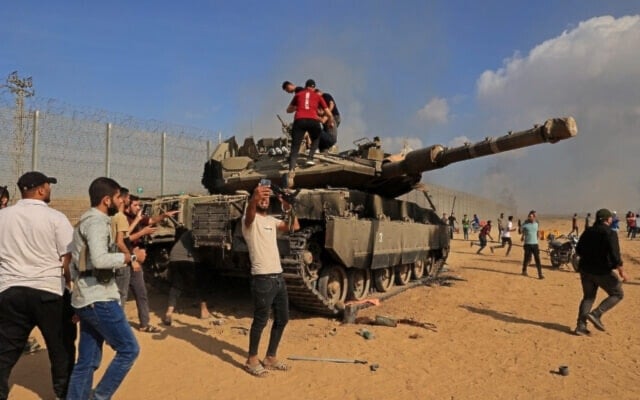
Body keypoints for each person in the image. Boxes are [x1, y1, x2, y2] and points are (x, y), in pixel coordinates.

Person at [67, 177, 146, 400]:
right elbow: (100, 260)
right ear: (107, 199)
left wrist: (79, 300)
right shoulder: (97, 222)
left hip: (88, 298)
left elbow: (74, 264)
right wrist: (131, 257)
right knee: (129, 350)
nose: (123, 201)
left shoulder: (86, 221)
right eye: (119, 197)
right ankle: (99, 397)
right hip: (99, 298)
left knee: (87, 362)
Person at [0, 171, 75, 400]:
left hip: (10, 291)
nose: (50, 189)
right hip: (49, 291)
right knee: (61, 347)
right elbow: (68, 258)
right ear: (41, 190)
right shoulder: (56, 218)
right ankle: (64, 394)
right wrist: (71, 285)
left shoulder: (3, 216)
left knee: (4, 350)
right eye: (48, 186)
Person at [241, 181, 299, 377]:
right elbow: (249, 214)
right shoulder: (249, 221)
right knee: (260, 321)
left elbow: (295, 226)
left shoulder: (271, 221)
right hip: (262, 279)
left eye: (267, 198)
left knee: (283, 318)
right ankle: (251, 360)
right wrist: (254, 197)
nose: (265, 200)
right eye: (261, 197)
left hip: (278, 277)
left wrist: (288, 207)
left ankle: (271, 357)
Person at [124, 195, 178, 329]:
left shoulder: (138, 217)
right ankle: (116, 330)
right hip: (126, 260)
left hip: (136, 260)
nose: (139, 208)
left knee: (141, 293)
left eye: (139, 205)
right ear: (128, 206)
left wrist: (164, 216)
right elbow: (122, 240)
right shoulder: (123, 218)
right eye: (136, 205)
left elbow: (151, 220)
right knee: (120, 297)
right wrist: (142, 232)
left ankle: (144, 324)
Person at [573, 208, 628, 336]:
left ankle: (580, 326)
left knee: (588, 297)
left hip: (585, 270)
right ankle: (596, 314)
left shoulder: (588, 232)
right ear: (607, 219)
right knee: (618, 293)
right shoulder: (610, 233)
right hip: (602, 271)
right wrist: (621, 270)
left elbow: (579, 249)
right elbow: (615, 254)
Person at [285, 79, 334, 186]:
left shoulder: (298, 94)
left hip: (299, 120)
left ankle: (291, 170)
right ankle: (310, 158)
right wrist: (330, 122)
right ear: (313, 87)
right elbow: (328, 113)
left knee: (295, 147)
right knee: (316, 137)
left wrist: (298, 107)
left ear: (305, 86)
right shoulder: (318, 96)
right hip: (313, 120)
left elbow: (288, 110)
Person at [521, 211, 544, 279]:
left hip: (535, 244)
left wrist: (539, 236)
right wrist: (520, 228)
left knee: (537, 259)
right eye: (529, 216)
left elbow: (537, 231)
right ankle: (524, 270)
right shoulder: (525, 224)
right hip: (527, 244)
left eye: (532, 216)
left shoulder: (536, 224)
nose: (531, 218)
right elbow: (521, 231)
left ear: (534, 217)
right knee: (526, 258)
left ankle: (540, 274)